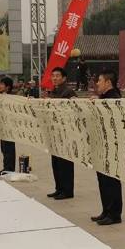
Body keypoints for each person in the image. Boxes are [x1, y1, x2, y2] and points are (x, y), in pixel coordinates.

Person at [91, 69, 123, 226]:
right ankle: (106, 210)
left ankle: (115, 213)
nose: (97, 83)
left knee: (111, 180)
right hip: (101, 144)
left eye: (100, 80)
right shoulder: (103, 98)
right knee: (102, 179)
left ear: (108, 83)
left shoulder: (114, 99)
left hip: (111, 145)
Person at [47, 67, 77, 200]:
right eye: (53, 75)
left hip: (66, 132)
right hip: (55, 132)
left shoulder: (69, 92)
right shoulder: (53, 91)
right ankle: (59, 188)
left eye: (57, 76)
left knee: (65, 162)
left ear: (64, 78)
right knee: (56, 162)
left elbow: (74, 110)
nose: (54, 78)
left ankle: (67, 190)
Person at [0, 77, 16, 175]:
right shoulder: (0, 96)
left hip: (9, 126)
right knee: (3, 147)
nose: (0, 86)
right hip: (2, 125)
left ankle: (10, 168)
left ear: (7, 87)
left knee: (9, 147)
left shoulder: (11, 97)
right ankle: (5, 167)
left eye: (2, 84)